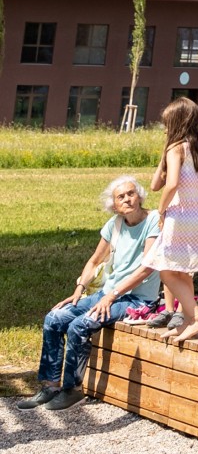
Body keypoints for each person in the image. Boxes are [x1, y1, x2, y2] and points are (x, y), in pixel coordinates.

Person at [24, 175, 163, 408]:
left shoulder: (154, 220)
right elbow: (94, 260)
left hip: (138, 300)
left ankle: (73, 390)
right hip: (108, 294)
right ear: (114, 204)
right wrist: (79, 289)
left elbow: (147, 268)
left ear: (139, 196)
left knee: (79, 325)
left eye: (131, 193)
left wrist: (112, 295)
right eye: (121, 196)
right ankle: (50, 386)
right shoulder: (115, 224)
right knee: (54, 318)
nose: (127, 199)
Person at [146, 98, 198, 345]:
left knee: (166, 270)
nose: (165, 128)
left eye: (167, 123)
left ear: (176, 123)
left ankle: (197, 317)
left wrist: (161, 209)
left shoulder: (176, 148)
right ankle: (188, 319)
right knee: (182, 268)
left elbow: (172, 183)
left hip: (179, 215)